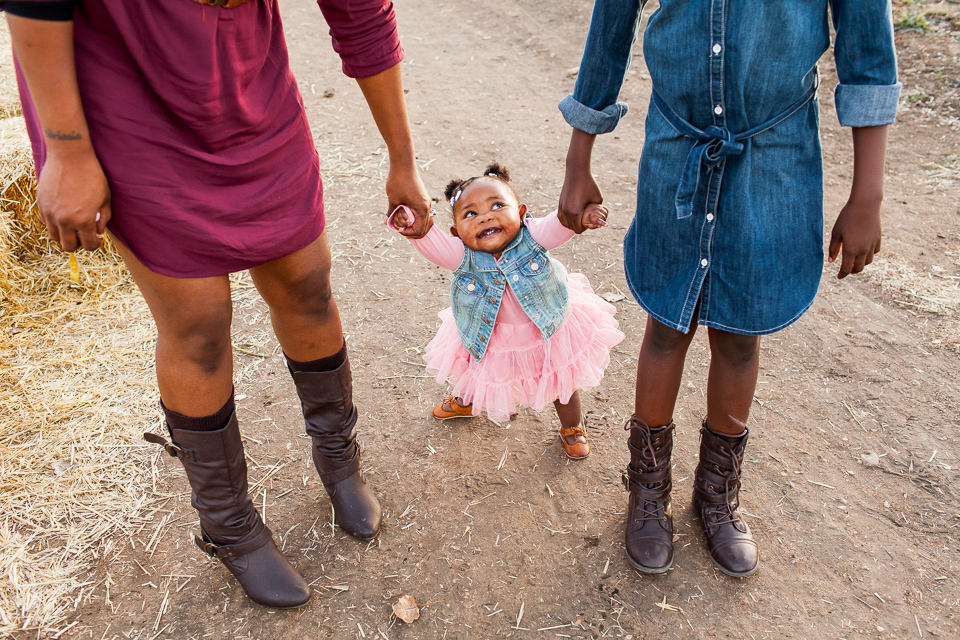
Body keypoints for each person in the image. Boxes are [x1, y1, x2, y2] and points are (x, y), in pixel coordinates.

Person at [5, 0, 432, 608]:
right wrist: (69, 151)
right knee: (198, 322)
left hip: (244, 84)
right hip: (125, 96)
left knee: (306, 279)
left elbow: (361, 14)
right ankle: (229, 526)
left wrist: (401, 158)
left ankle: (339, 461)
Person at [558, 0, 899, 576]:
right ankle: (648, 491)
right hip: (678, 142)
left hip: (776, 155)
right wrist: (578, 157)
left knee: (741, 332)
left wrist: (867, 193)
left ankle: (716, 494)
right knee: (668, 320)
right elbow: (610, 28)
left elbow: (867, 48)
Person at [390, 164, 625, 459]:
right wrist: (411, 223)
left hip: (546, 329)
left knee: (559, 382)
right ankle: (467, 400)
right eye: (470, 214)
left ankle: (572, 426)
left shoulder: (533, 235)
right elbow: (427, 239)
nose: (485, 216)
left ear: (522, 212)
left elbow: (562, 223)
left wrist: (582, 217)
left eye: (497, 205)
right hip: (489, 333)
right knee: (476, 370)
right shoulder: (462, 255)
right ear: (456, 232)